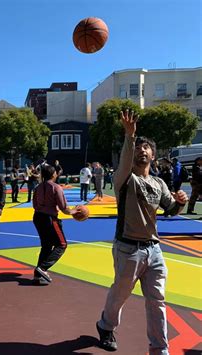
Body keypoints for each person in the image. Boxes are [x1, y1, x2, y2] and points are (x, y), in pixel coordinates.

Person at [96, 110, 188, 354]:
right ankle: (106, 325)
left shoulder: (159, 183)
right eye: (138, 147)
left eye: (146, 147)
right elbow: (126, 160)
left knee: (157, 300)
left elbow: (170, 209)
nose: (141, 150)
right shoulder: (125, 180)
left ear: (153, 155)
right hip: (128, 249)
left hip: (154, 250)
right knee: (121, 294)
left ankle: (159, 349)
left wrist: (180, 200)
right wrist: (129, 136)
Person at [32, 165, 77, 285]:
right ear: (54, 175)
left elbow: (34, 205)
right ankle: (42, 268)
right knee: (62, 244)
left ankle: (38, 276)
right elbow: (64, 208)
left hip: (37, 217)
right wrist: (74, 211)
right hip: (49, 218)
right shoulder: (56, 188)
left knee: (46, 246)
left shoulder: (37, 188)